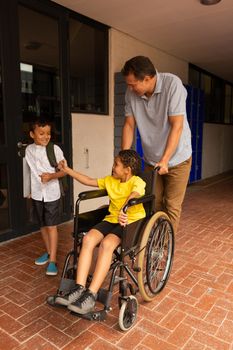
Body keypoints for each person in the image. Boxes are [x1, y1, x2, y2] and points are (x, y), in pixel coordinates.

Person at [55, 149, 146, 314]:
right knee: (88, 239)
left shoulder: (136, 181)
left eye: (116, 164)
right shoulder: (110, 180)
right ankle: (79, 289)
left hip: (131, 222)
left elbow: (135, 194)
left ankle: (91, 295)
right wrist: (67, 170)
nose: (112, 167)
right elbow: (88, 180)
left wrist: (125, 208)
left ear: (127, 169)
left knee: (106, 244)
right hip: (112, 218)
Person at [121, 56, 192, 234]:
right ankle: (155, 239)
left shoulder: (172, 85)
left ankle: (167, 246)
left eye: (132, 84)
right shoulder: (131, 94)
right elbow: (129, 125)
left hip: (177, 158)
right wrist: (123, 159)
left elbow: (177, 125)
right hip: (152, 159)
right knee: (155, 201)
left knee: (172, 205)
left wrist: (166, 159)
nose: (130, 88)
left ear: (147, 79)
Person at [25, 117, 66, 276]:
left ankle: (53, 260)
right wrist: (28, 190)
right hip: (36, 193)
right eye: (41, 133)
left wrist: (52, 176)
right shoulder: (28, 150)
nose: (45, 136)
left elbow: (64, 171)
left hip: (51, 193)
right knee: (42, 224)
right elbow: (28, 171)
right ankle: (49, 252)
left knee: (51, 226)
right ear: (32, 134)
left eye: (48, 133)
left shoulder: (54, 149)